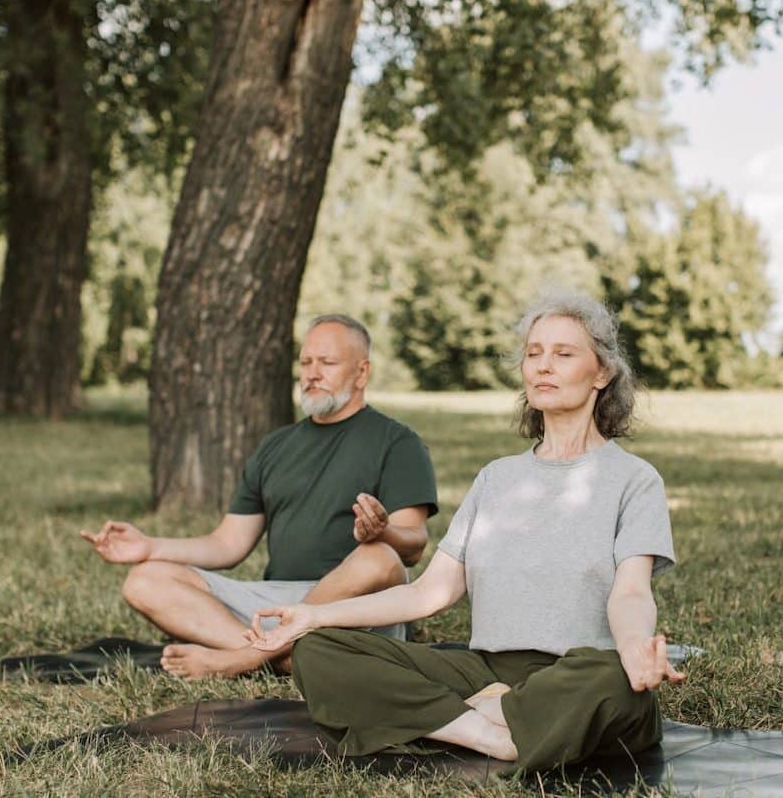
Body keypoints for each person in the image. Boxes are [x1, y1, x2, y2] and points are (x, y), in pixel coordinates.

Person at [246, 291, 681, 772]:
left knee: (618, 683)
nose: (543, 366)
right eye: (533, 353)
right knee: (319, 650)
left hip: (577, 672)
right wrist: (313, 617)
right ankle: (489, 733)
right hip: (487, 672)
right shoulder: (496, 478)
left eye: (563, 354)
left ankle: (463, 717)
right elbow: (428, 593)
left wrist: (636, 647)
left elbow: (632, 593)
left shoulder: (634, 480)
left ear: (602, 372)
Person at [79, 315, 439, 679]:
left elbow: (412, 548)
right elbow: (227, 544)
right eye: (305, 362)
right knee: (145, 580)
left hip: (354, 606)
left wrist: (384, 532)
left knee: (378, 557)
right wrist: (149, 547)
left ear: (361, 373)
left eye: (327, 363)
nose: (312, 374)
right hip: (276, 606)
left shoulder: (398, 442)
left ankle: (241, 660)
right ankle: (284, 659)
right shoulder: (277, 446)